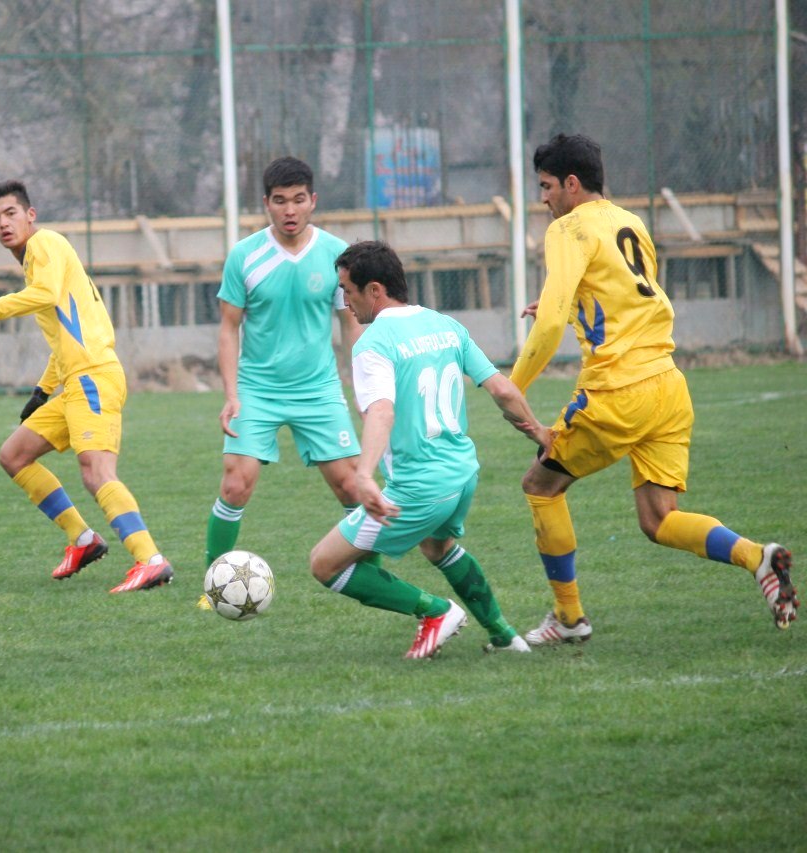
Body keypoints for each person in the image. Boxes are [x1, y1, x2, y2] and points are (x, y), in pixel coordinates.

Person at [510, 133, 796, 645]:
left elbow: (549, 324)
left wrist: (512, 388)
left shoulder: (568, 228)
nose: (544, 199)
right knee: (659, 519)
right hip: (668, 387)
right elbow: (630, 298)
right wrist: (572, 307)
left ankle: (569, 618)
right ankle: (757, 557)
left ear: (572, 184)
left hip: (617, 392)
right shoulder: (630, 222)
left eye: (547, 186)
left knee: (540, 486)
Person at [0, 180, 173, 593]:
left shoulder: (45, 244)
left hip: (93, 377)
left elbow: (41, 295)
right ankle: (82, 539)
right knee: (14, 456)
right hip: (76, 381)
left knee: (97, 471)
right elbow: (63, 341)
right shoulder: (37, 259)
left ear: (30, 215)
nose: (3, 224)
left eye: (10, 213)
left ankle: (150, 560)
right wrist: (42, 392)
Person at [308, 240, 548, 658]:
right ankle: (505, 636)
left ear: (375, 290)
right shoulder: (445, 325)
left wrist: (363, 474)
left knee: (324, 564)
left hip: (420, 487)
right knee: (438, 547)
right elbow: (503, 390)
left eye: (348, 290)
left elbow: (382, 411)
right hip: (463, 474)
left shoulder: (372, 343)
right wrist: (541, 434)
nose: (344, 302)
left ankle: (436, 612)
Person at [207, 157, 367, 573]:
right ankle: (214, 580)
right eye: (280, 201)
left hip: (318, 390)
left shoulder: (336, 255)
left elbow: (351, 324)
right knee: (235, 484)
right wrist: (231, 395)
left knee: (353, 486)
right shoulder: (245, 256)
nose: (290, 210)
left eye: (298, 200)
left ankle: (372, 578)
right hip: (257, 390)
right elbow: (228, 329)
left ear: (313, 200)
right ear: (267, 204)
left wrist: (365, 388)